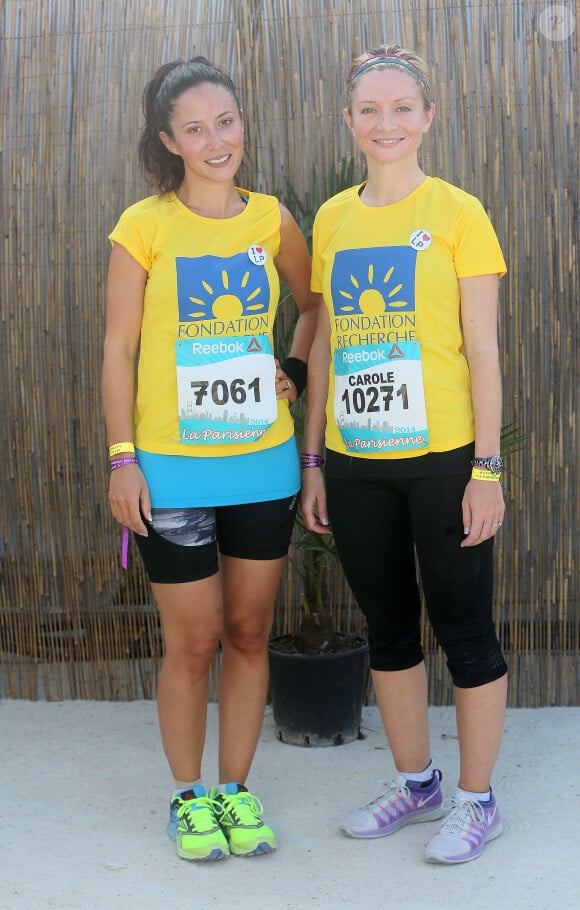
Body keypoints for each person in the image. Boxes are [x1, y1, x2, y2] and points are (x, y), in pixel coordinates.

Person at [102, 56, 318, 862]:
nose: (215, 138)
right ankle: (189, 798)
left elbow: (314, 306)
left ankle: (236, 792)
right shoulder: (144, 225)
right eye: (193, 127)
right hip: (171, 469)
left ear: (241, 122)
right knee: (192, 642)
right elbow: (118, 347)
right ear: (168, 140)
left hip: (260, 466)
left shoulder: (273, 220)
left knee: (250, 630)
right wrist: (125, 458)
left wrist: (292, 372)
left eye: (224, 121)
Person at [301, 43, 508, 865]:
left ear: (429, 117)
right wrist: (315, 460)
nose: (386, 123)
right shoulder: (331, 218)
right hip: (355, 464)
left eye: (402, 108)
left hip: (445, 459)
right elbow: (319, 347)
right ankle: (416, 782)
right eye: (370, 110)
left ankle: (476, 799)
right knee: (387, 629)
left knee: (465, 631)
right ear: (348, 121)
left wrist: (487, 468)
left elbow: (483, 350)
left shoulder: (460, 212)